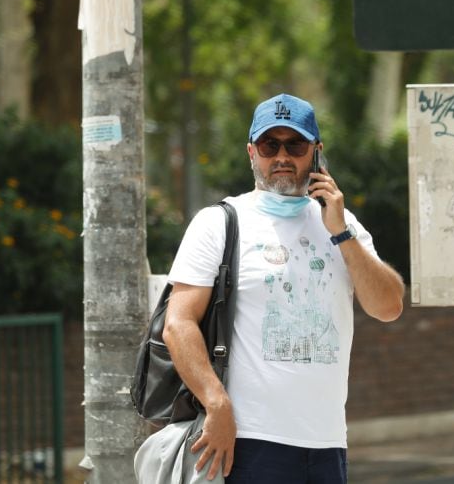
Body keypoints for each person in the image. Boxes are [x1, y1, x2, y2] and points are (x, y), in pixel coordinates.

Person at [163, 93, 405, 483]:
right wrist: (216, 403)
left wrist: (340, 232)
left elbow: (388, 306)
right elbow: (178, 323)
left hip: (327, 444)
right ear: (251, 153)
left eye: (295, 145)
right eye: (269, 144)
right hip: (248, 441)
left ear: (317, 153)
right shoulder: (220, 223)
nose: (282, 156)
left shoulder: (342, 224)